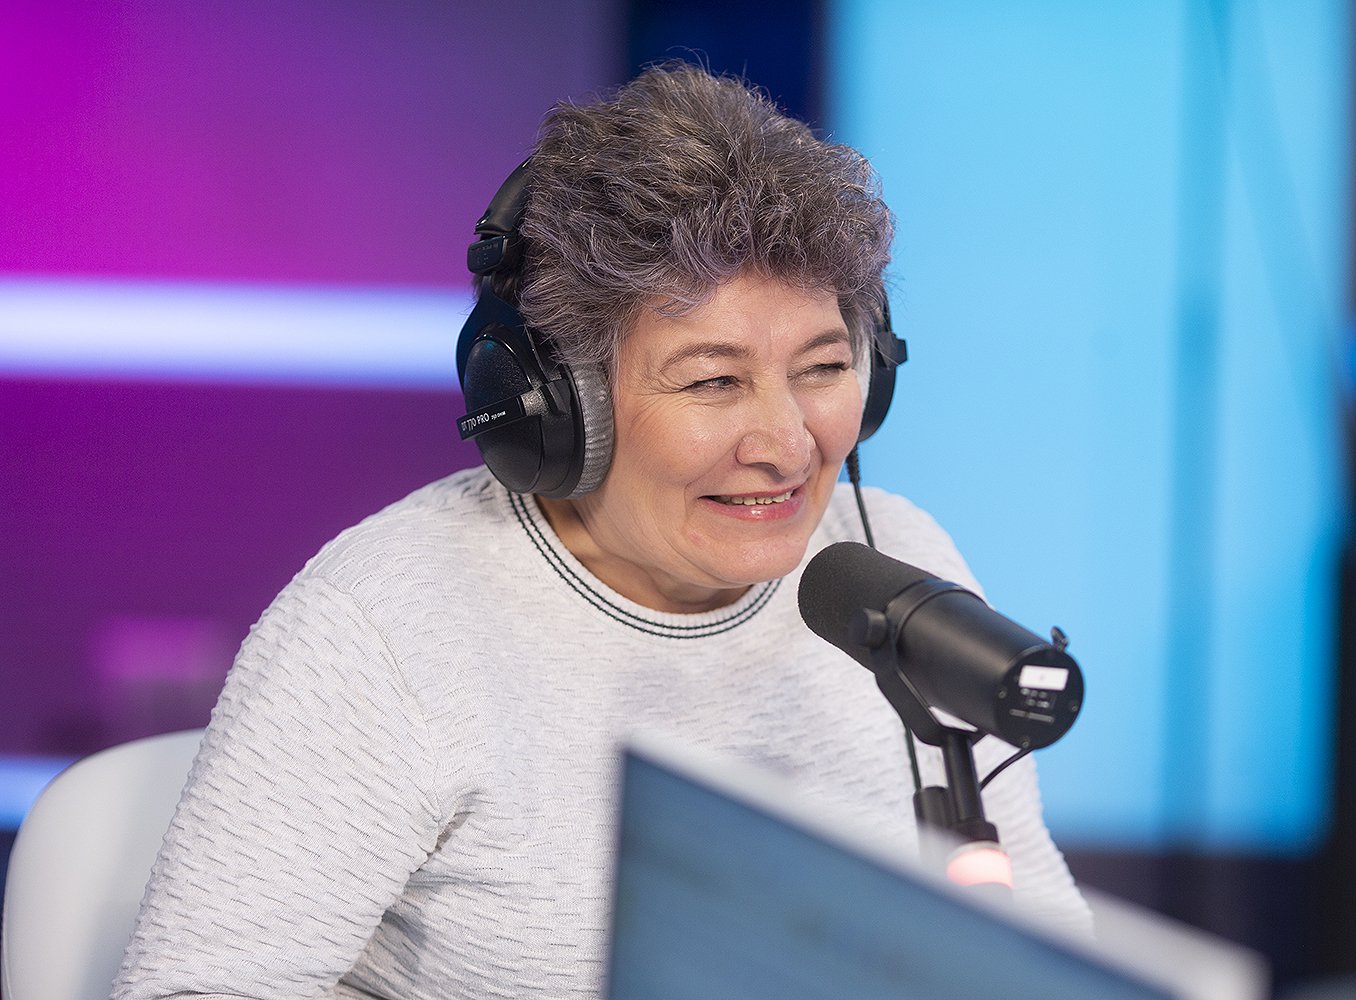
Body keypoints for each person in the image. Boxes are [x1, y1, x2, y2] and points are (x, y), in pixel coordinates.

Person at [112, 64, 1089, 1000]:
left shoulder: (897, 561)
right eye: (714, 381)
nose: (790, 445)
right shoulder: (387, 626)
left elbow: (1037, 942)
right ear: (551, 406)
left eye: (825, 368)